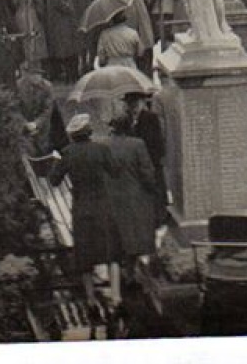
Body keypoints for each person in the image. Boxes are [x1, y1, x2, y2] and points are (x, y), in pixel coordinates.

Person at [48, 114, 121, 316]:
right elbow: (115, 171)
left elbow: (54, 180)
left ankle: (90, 299)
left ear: (73, 135)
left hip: (81, 208)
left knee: (85, 255)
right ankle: (116, 296)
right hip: (103, 206)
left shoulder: (67, 153)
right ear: (89, 132)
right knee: (111, 252)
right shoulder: (101, 150)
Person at [101, 110, 158, 319]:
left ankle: (116, 293)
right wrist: (151, 188)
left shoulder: (103, 145)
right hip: (135, 199)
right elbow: (148, 172)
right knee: (133, 236)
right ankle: (131, 275)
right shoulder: (138, 144)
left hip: (111, 200)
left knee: (115, 243)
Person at [124, 92, 168, 225]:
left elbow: (157, 141)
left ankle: (159, 217)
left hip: (151, 160)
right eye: (130, 104)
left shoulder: (151, 118)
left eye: (135, 103)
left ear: (141, 103)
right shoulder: (126, 120)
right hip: (135, 162)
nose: (133, 107)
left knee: (156, 189)